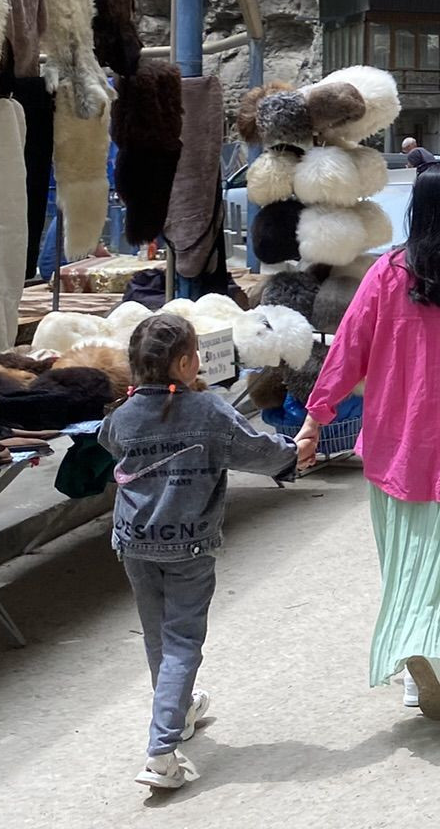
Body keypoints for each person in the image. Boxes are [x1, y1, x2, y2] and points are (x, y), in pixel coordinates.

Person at [299, 163, 440, 719]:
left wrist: (316, 416)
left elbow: (347, 350)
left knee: (408, 557)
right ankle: (435, 651)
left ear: (418, 212)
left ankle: (416, 656)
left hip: (400, 443)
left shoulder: (387, 274)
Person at [103, 311, 298, 789]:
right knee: (183, 641)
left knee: (158, 636)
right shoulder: (209, 411)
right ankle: (161, 751)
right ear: (190, 362)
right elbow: (259, 450)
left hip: (134, 543)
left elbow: (109, 443)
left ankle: (181, 708)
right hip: (188, 545)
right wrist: (294, 450)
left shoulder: (122, 415)